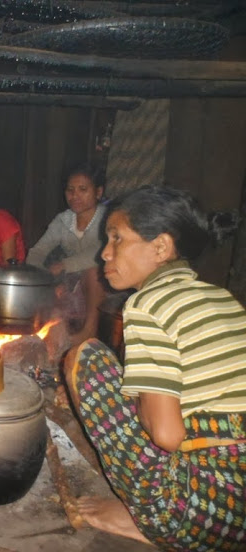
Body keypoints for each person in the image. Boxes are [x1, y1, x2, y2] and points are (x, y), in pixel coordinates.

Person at [63, 186, 246, 551]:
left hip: (196, 513)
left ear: (160, 247)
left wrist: (139, 407)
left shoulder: (148, 304)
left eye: (117, 238)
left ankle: (148, 521)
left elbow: (165, 435)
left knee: (85, 358)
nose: (105, 252)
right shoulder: (223, 298)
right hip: (238, 512)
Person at [26, 164, 107, 347]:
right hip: (73, 278)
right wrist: (40, 276)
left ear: (98, 192)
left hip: (104, 278)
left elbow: (101, 252)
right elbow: (38, 251)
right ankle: (53, 340)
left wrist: (65, 265)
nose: (75, 195)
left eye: (83, 190)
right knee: (54, 288)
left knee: (92, 271)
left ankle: (89, 331)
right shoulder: (63, 220)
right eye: (70, 190)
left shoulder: (107, 219)